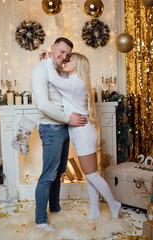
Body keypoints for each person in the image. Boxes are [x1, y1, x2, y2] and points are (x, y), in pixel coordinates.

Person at [41, 51, 121, 220]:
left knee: (92, 174)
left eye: (69, 60)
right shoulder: (70, 81)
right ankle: (95, 211)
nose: (65, 61)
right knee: (89, 174)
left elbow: (54, 80)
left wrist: (49, 61)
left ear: (77, 65)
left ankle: (114, 204)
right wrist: (47, 59)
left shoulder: (76, 83)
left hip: (84, 133)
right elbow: (57, 75)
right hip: (81, 133)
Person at [30, 38, 88, 232]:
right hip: (51, 127)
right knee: (48, 175)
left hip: (62, 127)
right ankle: (40, 221)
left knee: (59, 172)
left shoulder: (54, 69)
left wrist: (67, 121)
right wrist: (67, 118)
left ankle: (54, 208)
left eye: (67, 55)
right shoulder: (40, 70)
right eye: (61, 52)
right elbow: (43, 105)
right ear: (52, 48)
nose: (63, 57)